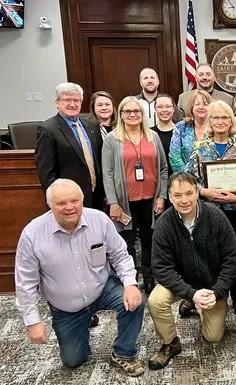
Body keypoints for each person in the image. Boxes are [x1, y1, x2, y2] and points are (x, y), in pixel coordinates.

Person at [15, 179, 145, 376]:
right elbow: (25, 283)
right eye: (61, 203)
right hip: (66, 306)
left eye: (74, 201)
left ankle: (123, 352)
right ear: (50, 205)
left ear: (82, 200)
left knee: (136, 301)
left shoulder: (99, 220)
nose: (69, 208)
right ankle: (83, 321)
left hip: (100, 288)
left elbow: (120, 255)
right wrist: (32, 322)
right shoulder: (32, 235)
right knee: (73, 360)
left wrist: (130, 284)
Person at [148, 172, 236, 370]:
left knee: (213, 337)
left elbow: (232, 260)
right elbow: (161, 268)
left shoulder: (216, 217)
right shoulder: (164, 224)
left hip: (212, 285)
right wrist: (191, 292)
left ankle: (196, 303)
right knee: (155, 300)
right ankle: (170, 343)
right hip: (182, 283)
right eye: (178, 195)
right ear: (170, 197)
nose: (184, 200)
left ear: (197, 192)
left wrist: (217, 292)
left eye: (189, 193)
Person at [102, 96, 168, 295]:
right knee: (126, 244)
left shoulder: (153, 137)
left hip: (151, 199)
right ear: (120, 114)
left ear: (142, 114)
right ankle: (130, 281)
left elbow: (163, 168)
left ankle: (149, 279)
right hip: (124, 202)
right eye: (127, 111)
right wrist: (113, 202)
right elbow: (108, 173)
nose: (132, 115)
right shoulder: (112, 139)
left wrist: (161, 196)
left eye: (136, 111)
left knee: (150, 241)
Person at [188, 100, 236, 316]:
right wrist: (205, 192)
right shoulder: (199, 149)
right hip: (209, 212)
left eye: (225, 117)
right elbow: (189, 180)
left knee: (235, 253)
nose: (220, 122)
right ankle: (210, 294)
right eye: (216, 118)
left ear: (231, 121)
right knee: (210, 254)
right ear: (210, 122)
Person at [35, 82, 105, 211]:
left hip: (96, 197)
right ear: (57, 102)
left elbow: (99, 163)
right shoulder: (48, 129)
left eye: (76, 100)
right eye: (67, 100)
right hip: (69, 201)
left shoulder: (92, 126)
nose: (72, 104)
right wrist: (58, 200)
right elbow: (46, 172)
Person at [169, 89, 211, 173]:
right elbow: (175, 157)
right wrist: (188, 179)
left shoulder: (216, 127)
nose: (201, 107)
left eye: (205, 104)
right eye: (197, 104)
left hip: (213, 180)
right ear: (192, 107)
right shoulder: (181, 127)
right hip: (186, 180)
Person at [151, 93, 176, 182]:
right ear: (155, 109)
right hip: (157, 181)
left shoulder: (181, 132)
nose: (164, 110)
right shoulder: (150, 133)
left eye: (168, 106)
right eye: (160, 107)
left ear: (173, 109)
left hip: (180, 181)